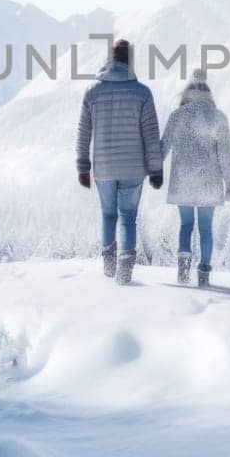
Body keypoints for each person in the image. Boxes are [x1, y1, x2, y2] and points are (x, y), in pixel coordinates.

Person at [76, 39, 163, 286]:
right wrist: (156, 169)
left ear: (110, 59)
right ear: (130, 61)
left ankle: (108, 261)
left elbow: (84, 132)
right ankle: (125, 265)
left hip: (103, 167)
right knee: (128, 217)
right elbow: (151, 134)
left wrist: (83, 166)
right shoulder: (142, 92)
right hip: (134, 168)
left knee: (107, 214)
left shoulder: (92, 92)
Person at [160, 68, 230, 287]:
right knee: (205, 227)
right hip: (209, 182)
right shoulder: (218, 117)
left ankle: (183, 269)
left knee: (186, 225)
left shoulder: (176, 116)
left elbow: (163, 148)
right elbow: (226, 155)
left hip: (182, 181)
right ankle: (203, 272)